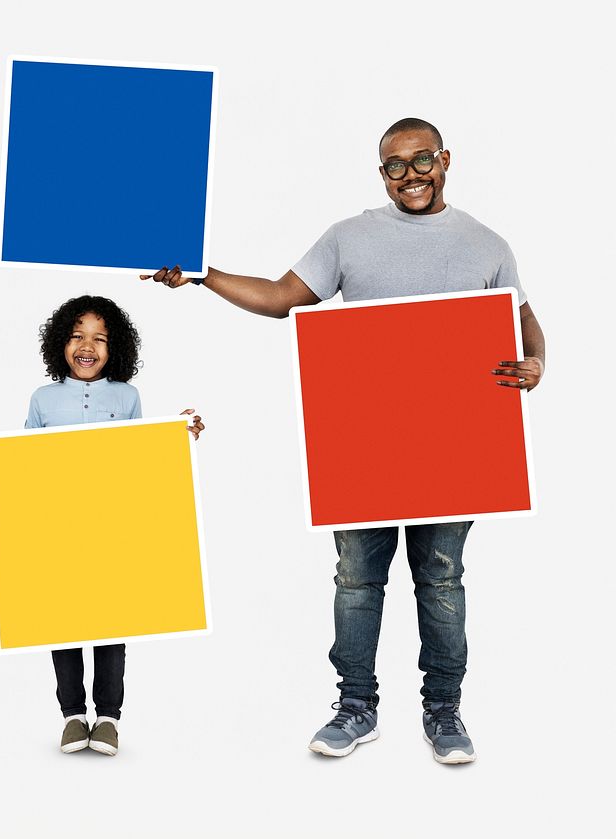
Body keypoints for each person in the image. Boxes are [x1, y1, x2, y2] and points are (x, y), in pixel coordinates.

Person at [142, 118, 545, 765]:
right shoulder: (349, 237)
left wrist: (537, 362)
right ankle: (355, 704)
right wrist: (201, 274)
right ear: (379, 172)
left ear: (446, 160)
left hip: (455, 447)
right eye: (394, 165)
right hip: (367, 444)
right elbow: (280, 298)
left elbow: (522, 318)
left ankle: (443, 708)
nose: (410, 175)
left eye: (421, 161)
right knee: (357, 579)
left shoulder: (487, 244)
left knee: (440, 578)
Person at [0, 295, 204, 756]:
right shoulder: (43, 398)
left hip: (111, 529)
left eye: (99, 338)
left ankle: (109, 718)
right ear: (61, 343)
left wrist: (177, 436)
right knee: (63, 623)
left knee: (113, 625)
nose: (86, 346)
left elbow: (140, 456)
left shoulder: (127, 396)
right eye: (77, 336)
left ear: (116, 348)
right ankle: (73, 715)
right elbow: (24, 460)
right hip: (59, 530)